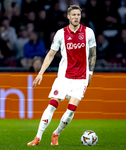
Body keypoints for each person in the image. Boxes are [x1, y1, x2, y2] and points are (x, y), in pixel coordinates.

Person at [27, 5, 96, 146]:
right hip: (64, 77)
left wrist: (90, 73)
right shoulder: (60, 33)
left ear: (80, 16)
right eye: (74, 15)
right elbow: (51, 54)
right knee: (52, 105)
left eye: (78, 14)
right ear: (68, 16)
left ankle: (56, 134)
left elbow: (93, 53)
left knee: (71, 111)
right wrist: (40, 72)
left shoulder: (88, 32)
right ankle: (37, 138)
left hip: (81, 78)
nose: (76, 17)